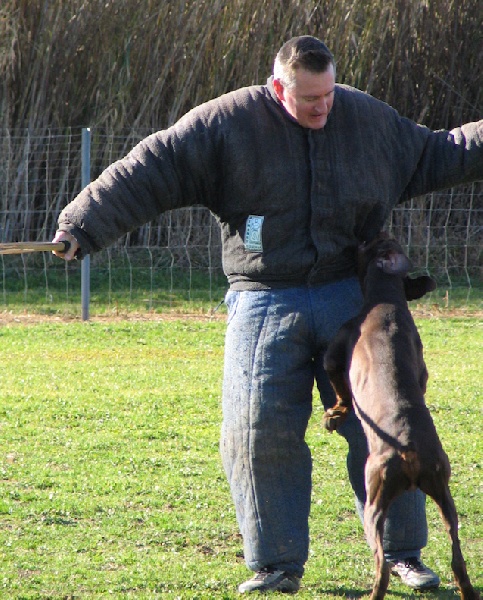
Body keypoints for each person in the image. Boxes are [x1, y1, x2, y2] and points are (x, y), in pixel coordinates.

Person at [52, 36, 483, 594]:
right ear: (278, 87)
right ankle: (275, 563)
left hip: (352, 297)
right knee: (257, 430)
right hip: (262, 294)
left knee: (386, 425)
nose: (324, 107)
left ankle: (402, 555)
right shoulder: (226, 124)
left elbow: (442, 149)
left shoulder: (368, 120)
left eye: (329, 94)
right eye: (310, 99)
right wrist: (82, 226)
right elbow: (151, 167)